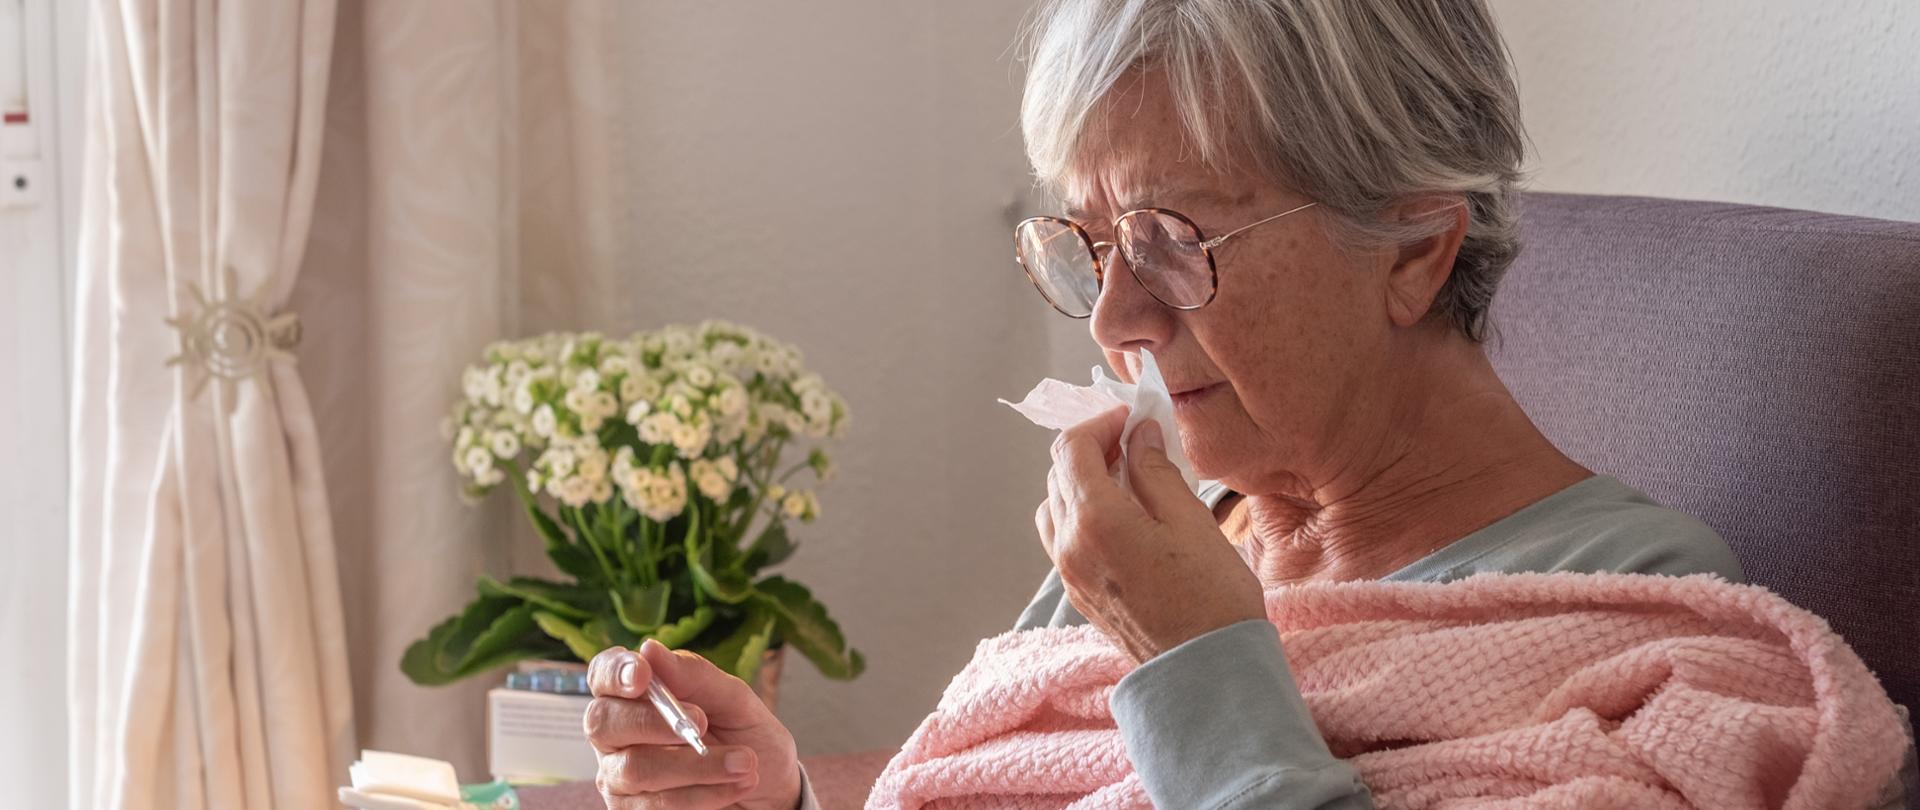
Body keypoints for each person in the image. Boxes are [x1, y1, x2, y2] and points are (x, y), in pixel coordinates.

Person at [576, 0, 1780, 807]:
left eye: (1172, 240)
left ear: (1414, 251)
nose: (1110, 324)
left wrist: (1196, 656)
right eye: (1087, 246)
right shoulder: (1181, 526)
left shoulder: (1639, 617)